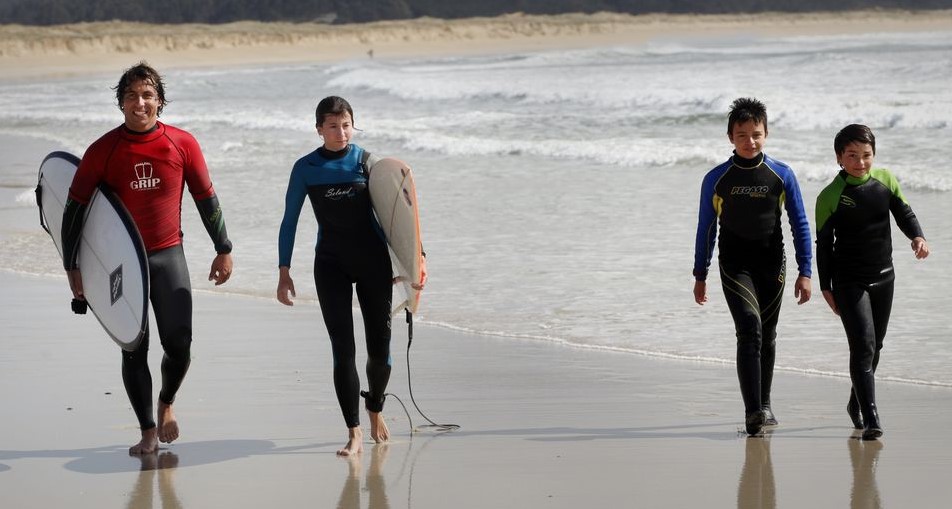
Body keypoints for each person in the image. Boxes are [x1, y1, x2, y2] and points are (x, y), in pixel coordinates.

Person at [62, 62, 233, 454]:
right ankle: (146, 431)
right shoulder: (103, 150)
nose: (140, 103)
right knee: (133, 346)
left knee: (180, 344)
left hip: (167, 254)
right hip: (123, 262)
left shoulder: (181, 143)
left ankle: (167, 400)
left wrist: (223, 248)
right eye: (132, 95)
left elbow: (206, 197)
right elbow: (74, 208)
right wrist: (73, 266)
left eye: (148, 95)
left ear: (160, 101)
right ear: (121, 102)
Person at [276, 96, 424, 456]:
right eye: (332, 126)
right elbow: (289, 221)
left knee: (380, 352)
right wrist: (284, 271)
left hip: (373, 263)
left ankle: (374, 407)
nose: (340, 132)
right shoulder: (306, 168)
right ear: (318, 129)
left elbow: (401, 216)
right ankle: (354, 432)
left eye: (346, 125)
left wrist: (416, 259)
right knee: (343, 350)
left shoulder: (369, 163)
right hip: (330, 264)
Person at [692, 97, 813, 436]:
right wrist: (700, 273)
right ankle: (752, 412)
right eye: (742, 135)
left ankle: (766, 403)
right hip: (734, 265)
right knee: (749, 328)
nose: (750, 141)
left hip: (772, 263)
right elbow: (706, 228)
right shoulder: (717, 179)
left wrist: (806, 271)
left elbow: (800, 224)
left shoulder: (782, 174)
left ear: (766, 134)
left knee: (768, 335)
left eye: (756, 134)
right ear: (730, 137)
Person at [815, 124, 929, 441]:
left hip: (884, 276)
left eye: (866, 156)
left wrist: (917, 236)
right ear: (839, 158)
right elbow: (822, 246)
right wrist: (826, 286)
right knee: (863, 346)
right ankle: (872, 417)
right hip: (849, 280)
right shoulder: (829, 197)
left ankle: (856, 402)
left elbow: (904, 212)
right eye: (852, 156)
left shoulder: (885, 181)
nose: (860, 162)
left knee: (876, 346)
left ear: (873, 155)